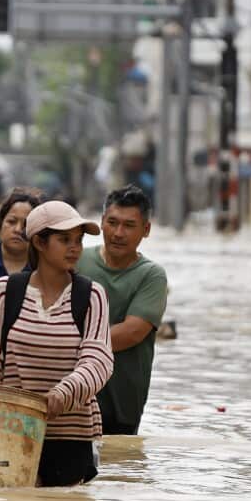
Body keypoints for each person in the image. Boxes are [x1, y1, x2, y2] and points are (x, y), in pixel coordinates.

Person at [0, 200, 112, 487]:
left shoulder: (92, 296)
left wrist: (62, 395)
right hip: (11, 432)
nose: (75, 248)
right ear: (39, 242)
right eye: (64, 240)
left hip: (71, 436)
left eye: (78, 240)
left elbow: (98, 362)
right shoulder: (5, 292)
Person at [77, 185, 168, 436]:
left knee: (121, 469)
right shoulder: (75, 260)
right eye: (112, 223)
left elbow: (132, 332)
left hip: (122, 403)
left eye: (129, 225)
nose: (118, 233)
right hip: (71, 398)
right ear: (102, 222)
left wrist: (64, 343)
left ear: (146, 230)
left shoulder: (151, 275)